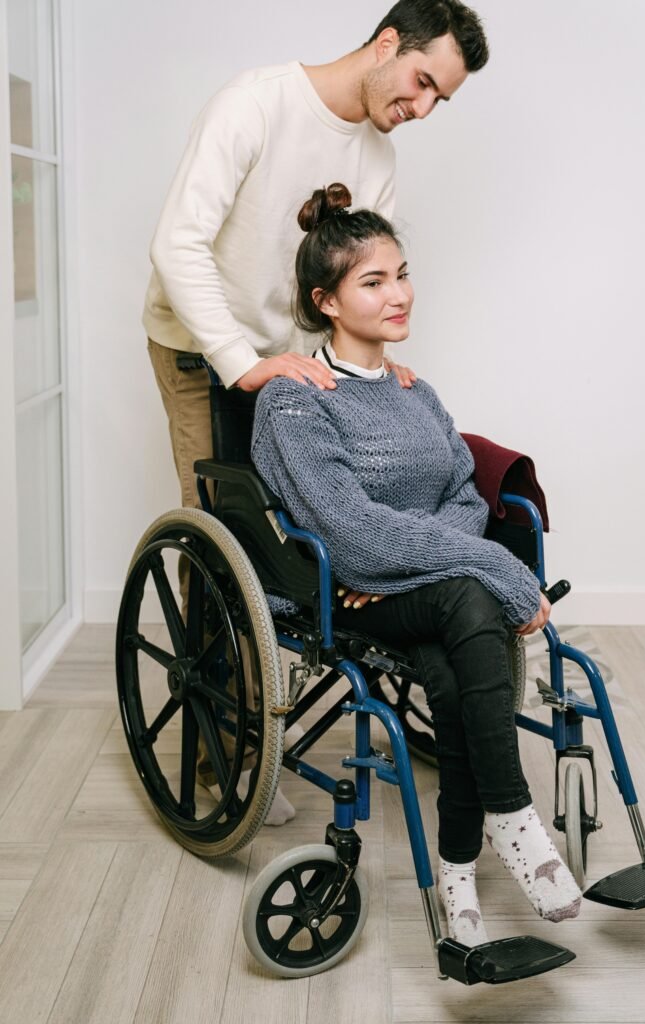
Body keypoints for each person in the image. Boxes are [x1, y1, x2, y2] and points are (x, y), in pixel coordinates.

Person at [143, 1, 489, 819]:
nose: (422, 108)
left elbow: (356, 279)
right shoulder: (255, 103)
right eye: (420, 83)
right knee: (228, 545)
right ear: (384, 44)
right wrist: (242, 362)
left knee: (312, 535)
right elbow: (177, 246)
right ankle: (224, 757)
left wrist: (373, 369)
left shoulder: (376, 155)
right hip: (202, 347)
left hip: (294, 365)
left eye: (440, 98)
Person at [251, 183, 582, 945]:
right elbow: (352, 532)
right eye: (373, 281)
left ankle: (460, 876)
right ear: (325, 301)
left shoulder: (415, 390)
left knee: (449, 660)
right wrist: (498, 573)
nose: (398, 294)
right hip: (351, 596)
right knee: (474, 593)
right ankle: (511, 816)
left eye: (401, 274)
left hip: (408, 592)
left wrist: (408, 559)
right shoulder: (295, 402)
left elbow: (462, 497)